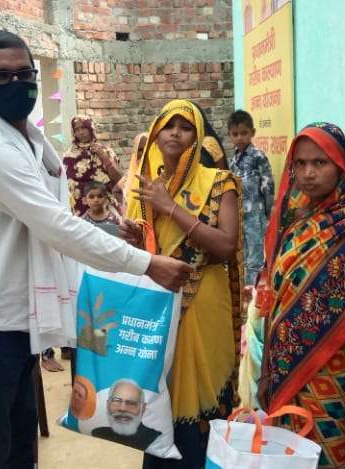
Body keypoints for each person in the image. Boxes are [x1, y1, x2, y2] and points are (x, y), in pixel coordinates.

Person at [0, 30, 192, 469]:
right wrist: (148, 264)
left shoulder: (30, 140)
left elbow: (55, 217)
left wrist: (114, 233)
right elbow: (56, 226)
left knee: (17, 450)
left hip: (13, 322)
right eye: (2, 76)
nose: (17, 83)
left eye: (25, 73)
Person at [250, 122, 345, 469]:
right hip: (286, 376)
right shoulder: (291, 225)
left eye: (320, 163)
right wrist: (267, 373)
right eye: (300, 164)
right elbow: (275, 306)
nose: (308, 173)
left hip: (339, 378)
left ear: (341, 166)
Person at [121, 99, 243, 468]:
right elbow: (153, 248)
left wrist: (170, 206)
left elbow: (225, 245)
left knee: (203, 392)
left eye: (185, 126)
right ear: (155, 134)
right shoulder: (146, 185)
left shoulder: (219, 182)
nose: (175, 132)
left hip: (204, 299)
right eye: (168, 124)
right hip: (159, 303)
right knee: (159, 392)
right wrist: (134, 240)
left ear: (199, 136)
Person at [227, 109, 275, 287]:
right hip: (239, 216)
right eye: (235, 134)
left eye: (244, 133)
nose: (240, 137)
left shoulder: (258, 157)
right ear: (230, 136)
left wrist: (269, 212)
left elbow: (267, 185)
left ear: (252, 133)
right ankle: (242, 289)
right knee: (242, 253)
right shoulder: (233, 160)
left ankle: (252, 295)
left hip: (255, 214)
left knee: (255, 256)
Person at [64, 115, 122, 216]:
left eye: (83, 128)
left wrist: (102, 156)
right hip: (79, 210)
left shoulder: (106, 151)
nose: (81, 132)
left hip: (105, 208)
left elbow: (119, 180)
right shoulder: (68, 156)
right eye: (77, 129)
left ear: (91, 128)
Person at [92, 379, 163, 450]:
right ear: (108, 405)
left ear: (143, 408)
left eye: (132, 403)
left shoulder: (155, 439)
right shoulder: (98, 434)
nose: (123, 408)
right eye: (117, 401)